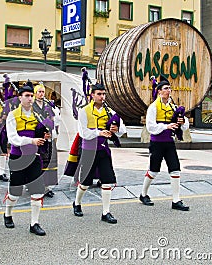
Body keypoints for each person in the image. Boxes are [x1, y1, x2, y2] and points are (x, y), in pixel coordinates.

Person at [72, 83, 126, 224]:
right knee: (85, 183)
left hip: (103, 150)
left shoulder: (110, 111)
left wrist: (116, 129)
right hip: (89, 150)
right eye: (99, 94)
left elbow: (122, 130)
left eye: (104, 94)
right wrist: (99, 132)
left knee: (107, 181)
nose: (102, 97)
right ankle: (77, 203)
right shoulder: (84, 111)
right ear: (92, 95)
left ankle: (105, 212)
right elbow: (83, 132)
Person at [3, 84, 50, 236]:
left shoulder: (39, 115)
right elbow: (12, 139)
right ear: (20, 98)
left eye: (32, 96)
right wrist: (31, 141)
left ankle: (34, 223)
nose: (30, 98)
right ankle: (8, 213)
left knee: (37, 191)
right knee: (15, 193)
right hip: (18, 157)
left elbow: (48, 133)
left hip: (34, 157)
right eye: (27, 96)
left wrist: (46, 137)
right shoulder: (12, 115)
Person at [139, 75, 190, 211]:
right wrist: (166, 126)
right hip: (157, 143)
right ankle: (143, 194)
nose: (169, 90)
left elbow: (185, 125)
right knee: (153, 170)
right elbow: (150, 127)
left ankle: (176, 200)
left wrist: (182, 122)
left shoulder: (173, 107)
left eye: (170, 88)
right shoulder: (153, 107)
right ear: (159, 91)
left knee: (175, 169)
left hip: (169, 143)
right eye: (166, 88)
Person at [32, 83, 57, 198]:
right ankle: (34, 185)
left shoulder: (48, 104)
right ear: (35, 93)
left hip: (47, 136)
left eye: (43, 92)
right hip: (36, 136)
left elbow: (53, 119)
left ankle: (47, 187)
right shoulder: (31, 105)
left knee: (47, 162)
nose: (41, 94)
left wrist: (50, 131)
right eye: (39, 92)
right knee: (36, 161)